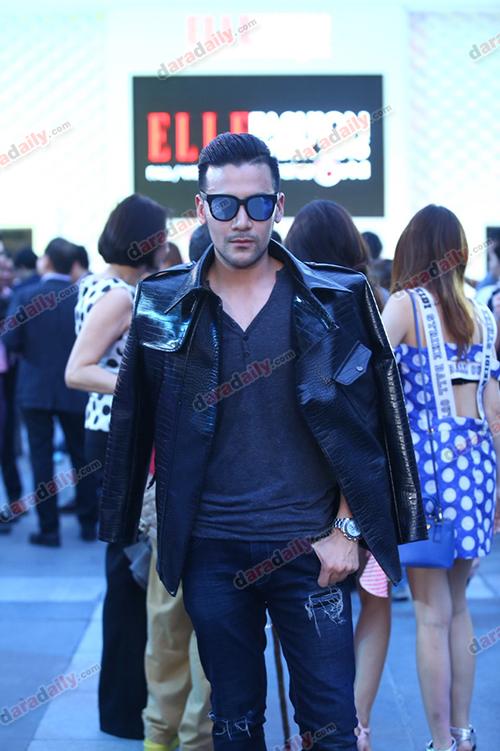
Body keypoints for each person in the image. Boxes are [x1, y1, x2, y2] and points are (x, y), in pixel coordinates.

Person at [98, 132, 425, 750]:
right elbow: (133, 420)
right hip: (212, 551)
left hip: (313, 551)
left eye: (257, 203)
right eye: (225, 205)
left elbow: (374, 425)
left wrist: (347, 530)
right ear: (202, 209)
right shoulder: (163, 302)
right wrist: (135, 528)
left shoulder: (337, 296)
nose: (241, 220)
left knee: (331, 727)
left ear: (278, 205)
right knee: (233, 723)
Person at [382, 204, 500, 751]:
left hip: (427, 473)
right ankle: (464, 733)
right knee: (458, 609)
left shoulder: (406, 305)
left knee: (430, 614)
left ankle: (439, 741)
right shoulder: (483, 314)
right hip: (477, 472)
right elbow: (495, 411)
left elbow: (363, 371)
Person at [286, 200, 391, 751]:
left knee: (315, 609)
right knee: (374, 598)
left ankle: (325, 726)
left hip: (318, 486)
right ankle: (358, 722)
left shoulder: (296, 306)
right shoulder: (377, 302)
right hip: (377, 481)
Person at [65, 193, 166, 740]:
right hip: (116, 438)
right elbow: (77, 370)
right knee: (129, 571)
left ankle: (126, 707)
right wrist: (139, 386)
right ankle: (126, 710)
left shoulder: (100, 285)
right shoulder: (120, 295)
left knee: (126, 568)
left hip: (107, 436)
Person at [2, 239, 96, 545]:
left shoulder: (26, 295)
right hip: (76, 387)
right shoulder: (82, 295)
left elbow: (10, 340)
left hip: (35, 388)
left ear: (47, 262)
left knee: (41, 458)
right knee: (81, 456)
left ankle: (49, 528)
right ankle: (88, 522)